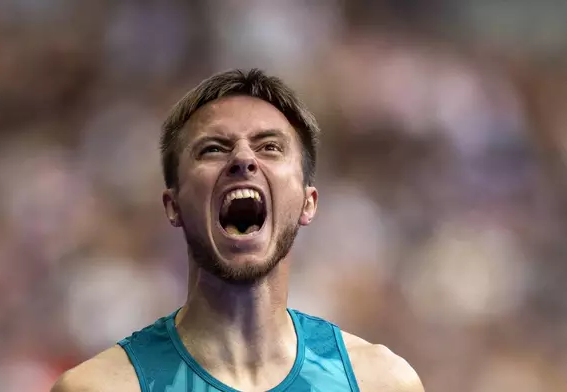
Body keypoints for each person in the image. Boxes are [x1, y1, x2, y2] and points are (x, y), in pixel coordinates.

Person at [51, 69, 425, 392]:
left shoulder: (379, 382)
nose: (244, 159)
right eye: (214, 148)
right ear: (173, 205)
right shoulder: (102, 387)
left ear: (308, 203)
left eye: (270, 147)